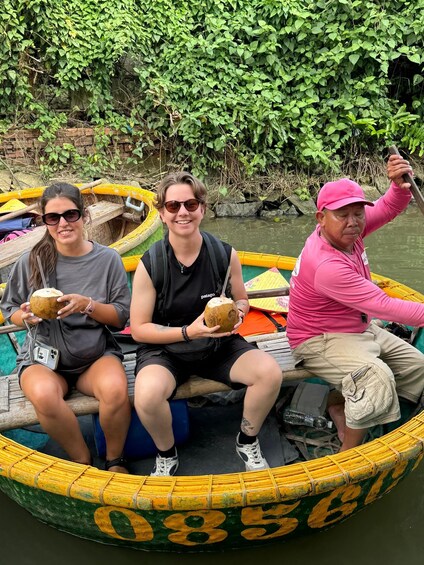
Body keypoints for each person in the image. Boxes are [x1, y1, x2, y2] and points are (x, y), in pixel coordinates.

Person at [130, 171, 282, 476]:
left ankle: (247, 440)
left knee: (270, 373)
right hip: (167, 350)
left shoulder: (224, 254)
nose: (182, 212)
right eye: (173, 206)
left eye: (190, 204)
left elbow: (241, 299)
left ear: (202, 208)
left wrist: (238, 313)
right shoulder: (152, 263)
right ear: (161, 214)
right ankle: (166, 453)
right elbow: (139, 328)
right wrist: (188, 332)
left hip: (217, 344)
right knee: (146, 394)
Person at [286, 154, 424, 451]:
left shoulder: (349, 233)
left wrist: (399, 187)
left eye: (358, 213)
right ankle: (348, 454)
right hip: (319, 338)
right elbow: (385, 306)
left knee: (418, 367)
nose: (353, 222)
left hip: (357, 326)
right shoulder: (326, 265)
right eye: (342, 214)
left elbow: (387, 208)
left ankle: (349, 409)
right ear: (321, 218)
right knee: (377, 379)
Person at [0, 182, 132, 473]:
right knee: (45, 394)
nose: (62, 223)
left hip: (93, 357)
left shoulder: (107, 260)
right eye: (53, 217)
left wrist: (89, 305)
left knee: (115, 388)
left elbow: (121, 317)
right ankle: (82, 461)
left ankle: (114, 459)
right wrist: (27, 317)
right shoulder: (31, 260)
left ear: (84, 216)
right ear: (45, 222)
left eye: (70, 215)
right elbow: (10, 309)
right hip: (43, 359)